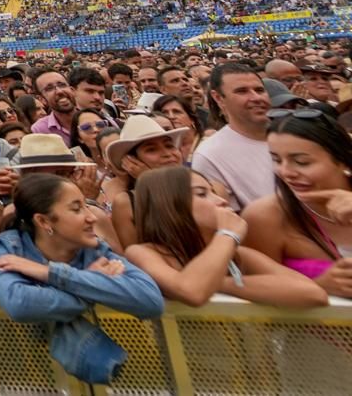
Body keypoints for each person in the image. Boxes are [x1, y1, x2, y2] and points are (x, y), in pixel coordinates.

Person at [0, 174, 164, 384]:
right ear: (43, 221)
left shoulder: (97, 251)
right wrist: (91, 286)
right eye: (77, 208)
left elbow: (151, 300)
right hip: (29, 382)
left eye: (87, 206)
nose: (92, 217)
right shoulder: (10, 250)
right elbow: (20, 303)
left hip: (124, 382)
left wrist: (52, 273)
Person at [127, 166, 327, 307]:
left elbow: (312, 293)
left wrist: (220, 283)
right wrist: (228, 234)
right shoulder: (142, 253)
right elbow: (192, 291)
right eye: (202, 194)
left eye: (213, 192)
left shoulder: (236, 255)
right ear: (169, 206)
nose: (221, 201)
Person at [241, 110, 352, 298]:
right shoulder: (265, 216)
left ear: (344, 161)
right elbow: (255, 299)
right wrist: (316, 287)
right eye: (276, 160)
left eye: (301, 162)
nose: (285, 172)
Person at [192, 64, 273, 208]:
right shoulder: (210, 156)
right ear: (218, 98)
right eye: (242, 91)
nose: (256, 97)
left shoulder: (295, 135)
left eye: (259, 90)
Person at [105, 115, 190, 248]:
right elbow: (134, 258)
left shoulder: (201, 186)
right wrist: (149, 181)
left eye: (169, 145)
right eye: (151, 149)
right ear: (131, 161)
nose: (167, 153)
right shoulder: (126, 203)